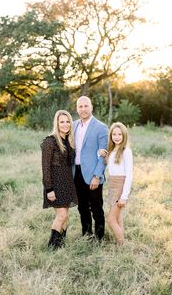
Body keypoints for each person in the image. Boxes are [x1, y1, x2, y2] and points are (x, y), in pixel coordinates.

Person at [41, 110, 78, 249]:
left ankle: (60, 244)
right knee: (61, 216)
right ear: (56, 123)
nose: (65, 124)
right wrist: (49, 189)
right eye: (62, 121)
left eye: (68, 121)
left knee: (65, 216)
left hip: (67, 183)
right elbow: (45, 168)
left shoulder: (69, 141)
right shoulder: (50, 141)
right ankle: (51, 247)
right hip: (55, 185)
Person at [73, 96, 108, 241]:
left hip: (93, 174)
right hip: (77, 172)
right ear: (77, 109)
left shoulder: (101, 127)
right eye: (80, 106)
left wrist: (97, 175)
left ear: (91, 107)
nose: (83, 109)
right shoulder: (73, 125)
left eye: (86, 106)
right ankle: (87, 234)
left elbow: (103, 154)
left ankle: (99, 237)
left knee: (96, 208)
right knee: (82, 207)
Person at [99, 122, 133, 245]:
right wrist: (101, 153)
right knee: (118, 217)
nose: (117, 137)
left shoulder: (126, 151)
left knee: (110, 219)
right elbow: (107, 162)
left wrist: (124, 196)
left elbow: (129, 175)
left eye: (120, 134)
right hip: (112, 185)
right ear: (111, 136)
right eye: (114, 134)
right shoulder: (112, 150)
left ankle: (122, 244)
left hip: (120, 187)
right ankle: (120, 243)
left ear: (124, 136)